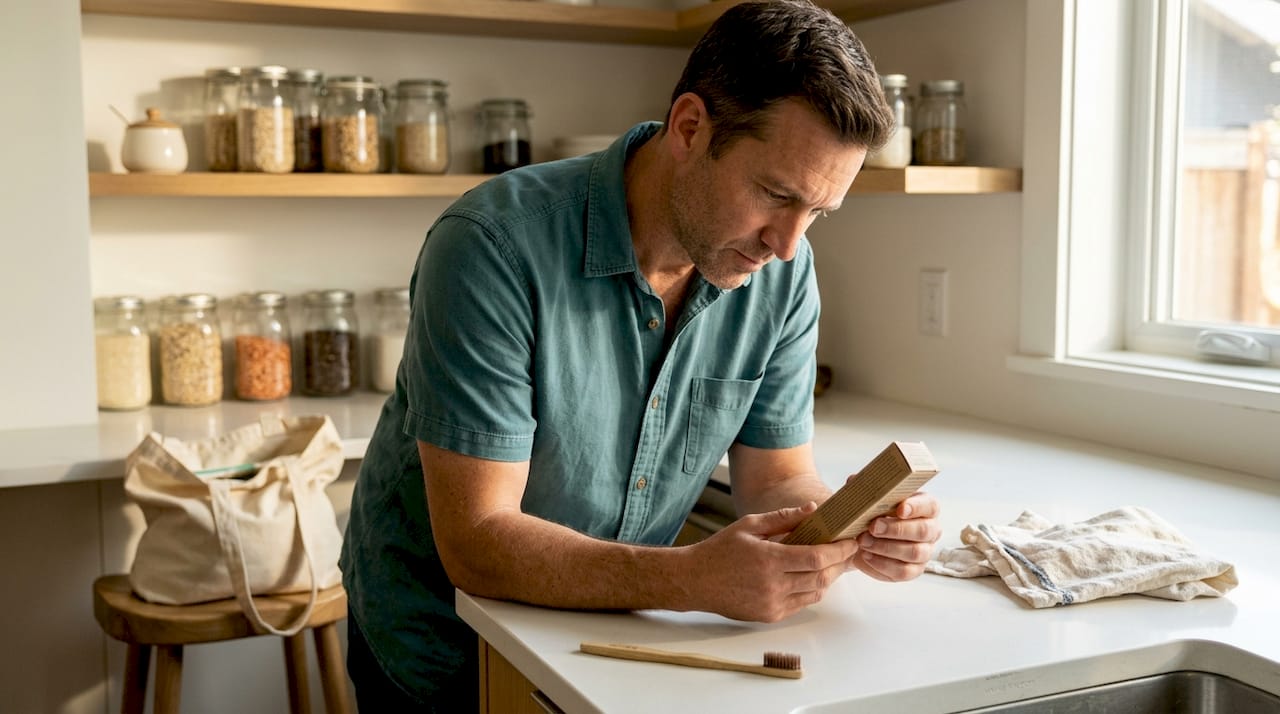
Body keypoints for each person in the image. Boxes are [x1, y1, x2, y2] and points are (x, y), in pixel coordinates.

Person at [339, 0, 942, 709]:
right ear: (690, 127)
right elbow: (478, 541)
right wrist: (691, 578)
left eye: (817, 212)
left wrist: (847, 524)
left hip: (607, 638)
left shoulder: (782, 270)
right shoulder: (490, 247)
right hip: (442, 642)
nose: (786, 243)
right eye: (775, 194)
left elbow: (777, 478)